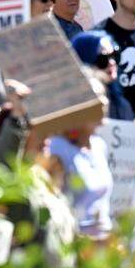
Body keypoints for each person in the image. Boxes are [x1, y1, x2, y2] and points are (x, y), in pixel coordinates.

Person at [47, 77, 114, 240]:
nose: (104, 101)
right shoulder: (57, 148)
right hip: (75, 246)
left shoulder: (99, 145)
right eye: (95, 96)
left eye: (104, 95)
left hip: (104, 248)